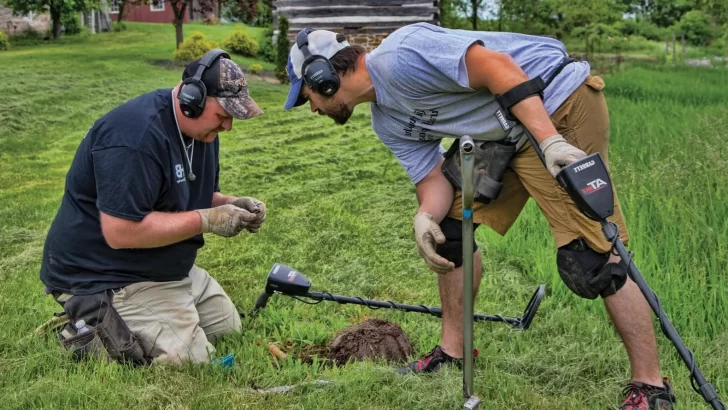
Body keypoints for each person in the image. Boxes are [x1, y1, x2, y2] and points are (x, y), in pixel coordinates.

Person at [282, 24, 676, 409]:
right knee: (449, 232)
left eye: (307, 97)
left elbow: (497, 68)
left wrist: (550, 141)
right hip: (505, 135)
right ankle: (453, 352)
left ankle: (651, 386)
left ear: (323, 77)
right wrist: (424, 217)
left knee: (592, 255)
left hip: (556, 103)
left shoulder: (402, 54)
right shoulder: (386, 121)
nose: (313, 109)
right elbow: (432, 178)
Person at [40, 49, 266, 366]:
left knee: (228, 330)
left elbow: (193, 195)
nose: (228, 126)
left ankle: (140, 320)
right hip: (107, 274)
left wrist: (231, 204)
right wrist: (206, 220)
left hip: (162, 265)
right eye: (223, 115)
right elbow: (120, 232)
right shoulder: (133, 138)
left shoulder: (202, 133)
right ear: (192, 99)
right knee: (193, 362)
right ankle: (89, 326)